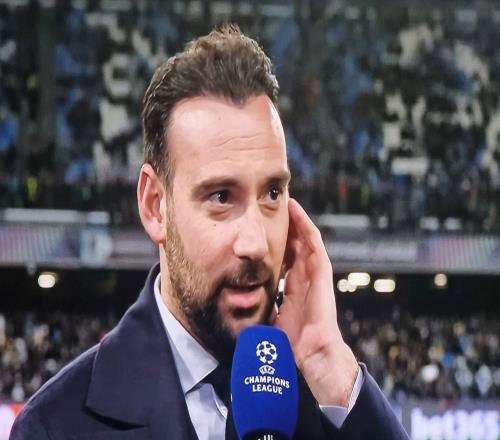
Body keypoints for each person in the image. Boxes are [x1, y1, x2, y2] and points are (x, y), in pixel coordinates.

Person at [10, 25, 408, 440]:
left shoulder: (333, 405)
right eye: (221, 197)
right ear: (155, 206)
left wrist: (328, 362)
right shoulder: (56, 427)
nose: (255, 243)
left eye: (272, 193)